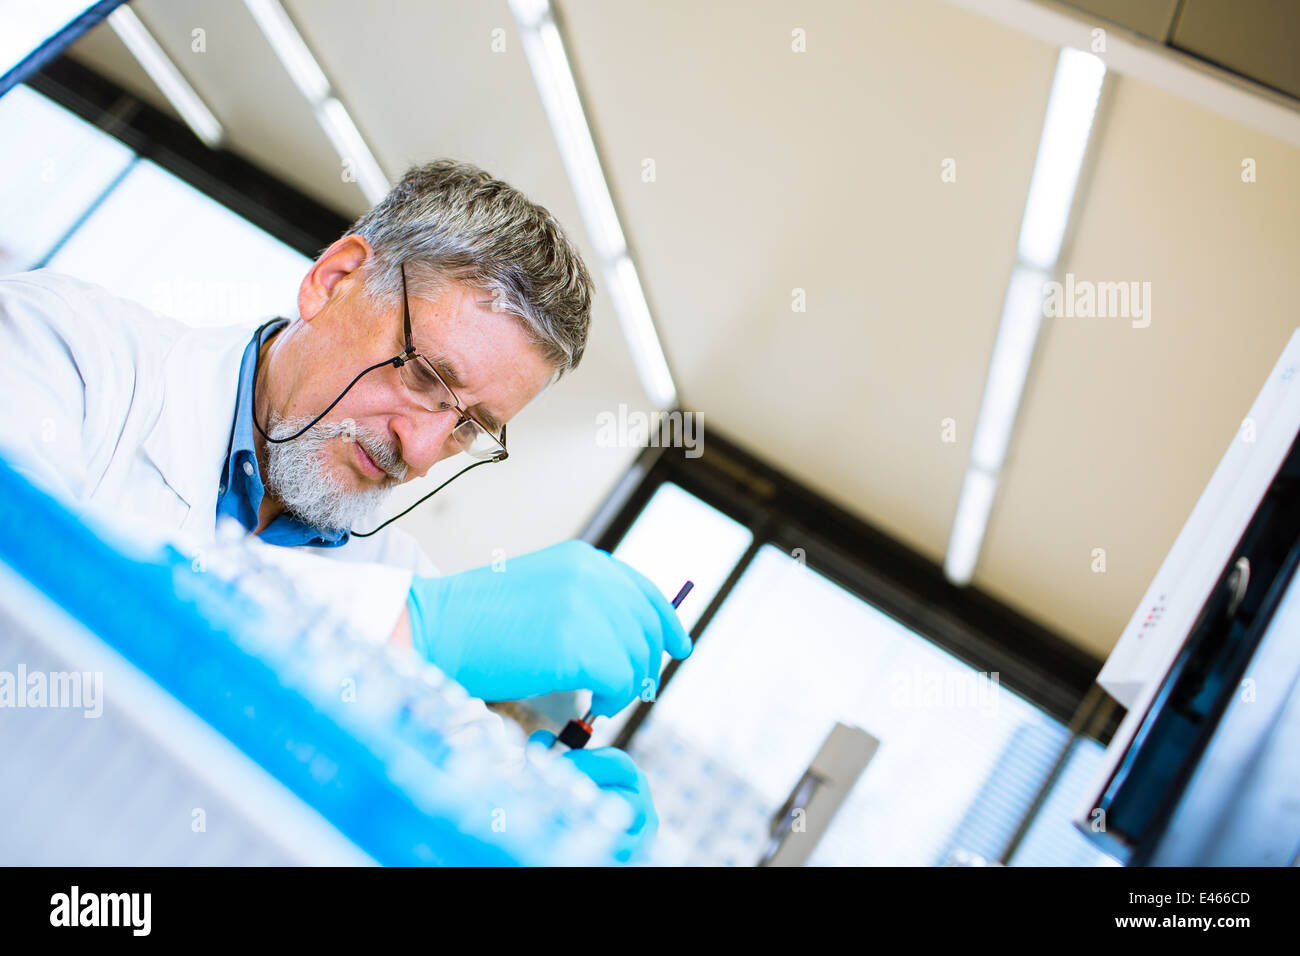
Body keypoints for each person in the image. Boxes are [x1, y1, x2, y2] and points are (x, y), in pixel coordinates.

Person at [0, 159, 689, 859]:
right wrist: (408, 627)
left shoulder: (401, 588)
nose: (419, 449)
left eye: (468, 427)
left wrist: (540, 819)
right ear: (333, 280)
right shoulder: (63, 349)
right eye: (424, 375)